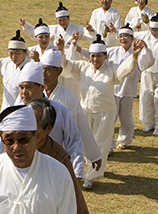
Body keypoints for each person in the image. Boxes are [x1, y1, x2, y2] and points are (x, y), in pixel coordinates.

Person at [58, 32, 147, 189]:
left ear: (105, 56)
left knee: (101, 144)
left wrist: (133, 56)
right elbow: (67, 66)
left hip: (105, 113)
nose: (95, 60)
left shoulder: (111, 69)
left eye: (98, 56)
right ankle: (94, 165)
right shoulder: (83, 67)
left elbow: (123, 71)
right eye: (92, 56)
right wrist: (61, 51)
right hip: (86, 111)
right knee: (86, 142)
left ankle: (91, 177)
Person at [30, 97, 91, 214]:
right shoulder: (16, 147)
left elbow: (76, 199)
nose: (27, 131)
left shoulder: (59, 159)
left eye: (34, 127)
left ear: (48, 129)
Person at [108, 25, 154, 149]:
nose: (123, 39)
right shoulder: (112, 51)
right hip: (113, 90)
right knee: (111, 119)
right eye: (121, 36)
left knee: (126, 118)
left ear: (132, 38)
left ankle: (124, 141)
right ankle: (109, 144)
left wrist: (145, 49)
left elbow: (149, 62)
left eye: (126, 36)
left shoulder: (139, 53)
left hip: (128, 90)